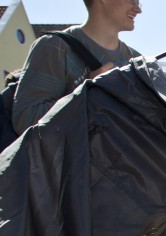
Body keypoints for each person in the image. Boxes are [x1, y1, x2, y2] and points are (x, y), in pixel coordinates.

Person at [12, 0, 141, 135]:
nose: (138, 9)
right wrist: (88, 94)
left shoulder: (136, 61)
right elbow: (24, 120)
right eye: (132, 0)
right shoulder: (54, 47)